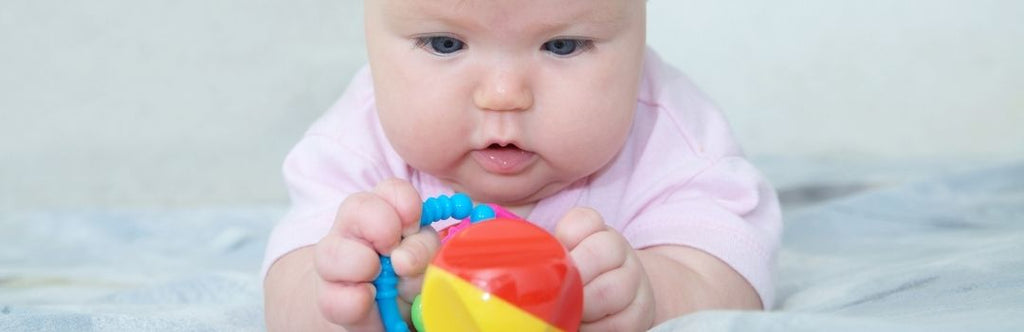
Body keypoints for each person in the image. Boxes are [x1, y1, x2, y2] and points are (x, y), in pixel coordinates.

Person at [262, 0, 781, 331]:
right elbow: (287, 283)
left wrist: (651, 293)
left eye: (562, 45)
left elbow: (735, 273)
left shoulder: (670, 139)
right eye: (446, 44)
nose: (503, 95)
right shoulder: (357, 143)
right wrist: (337, 297)